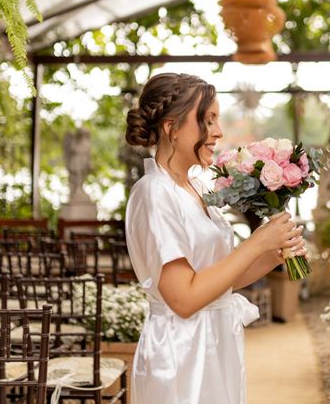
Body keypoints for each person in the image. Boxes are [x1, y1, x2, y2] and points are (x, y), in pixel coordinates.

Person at [124, 73, 307, 404]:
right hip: (182, 354)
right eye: (207, 121)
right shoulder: (154, 193)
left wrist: (273, 254)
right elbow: (184, 299)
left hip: (216, 344)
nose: (219, 132)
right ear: (172, 127)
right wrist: (257, 241)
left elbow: (220, 280)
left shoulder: (198, 186)